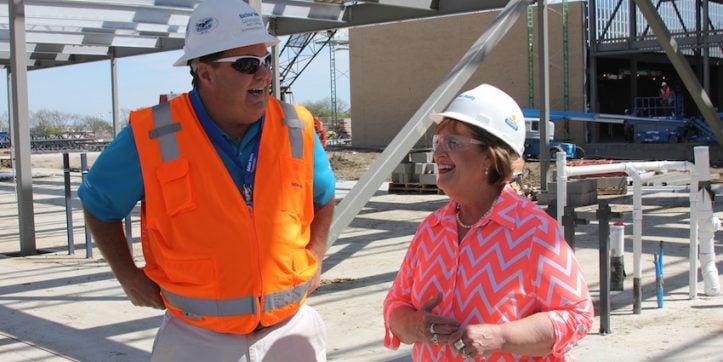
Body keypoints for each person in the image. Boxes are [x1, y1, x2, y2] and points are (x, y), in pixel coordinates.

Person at [77, 0, 336, 360]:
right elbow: (98, 203)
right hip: (196, 340)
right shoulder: (153, 135)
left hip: (290, 333)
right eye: (247, 65)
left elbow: (325, 197)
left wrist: (317, 255)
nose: (263, 75)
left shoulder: (297, 127)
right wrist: (127, 275)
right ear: (206, 73)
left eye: (265, 61)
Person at [383, 84, 593, 361]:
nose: (439, 153)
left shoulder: (532, 231)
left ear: (489, 157)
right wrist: (414, 326)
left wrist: (500, 338)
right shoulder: (432, 229)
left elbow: (576, 316)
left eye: (453, 143)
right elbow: (395, 305)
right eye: (438, 142)